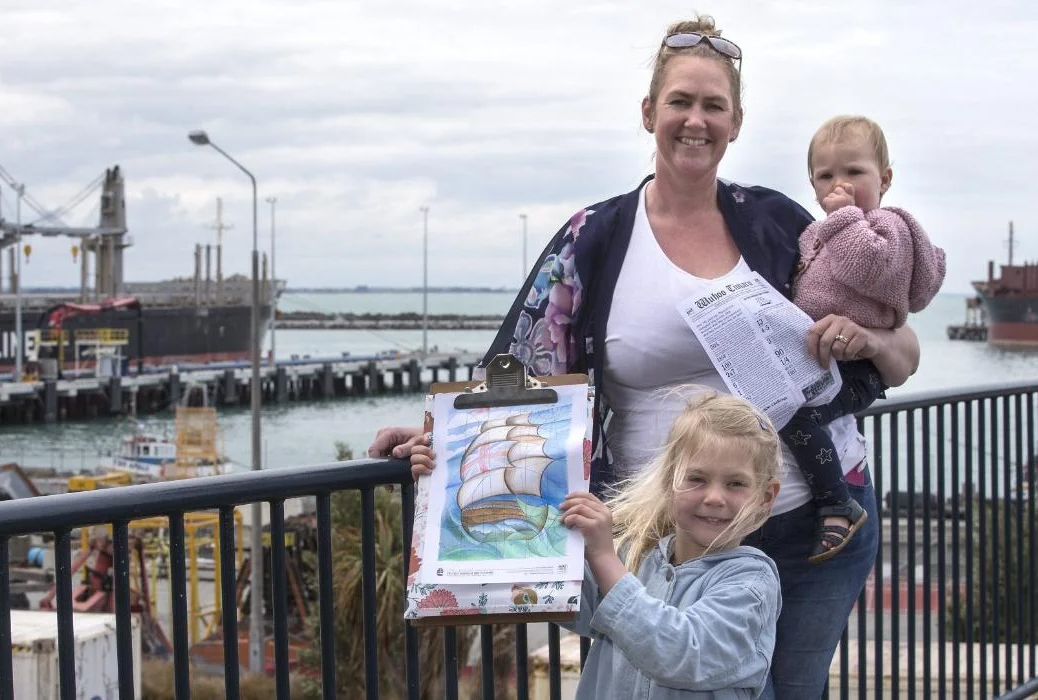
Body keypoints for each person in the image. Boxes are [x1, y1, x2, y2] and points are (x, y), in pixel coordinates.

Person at [370, 14, 922, 699]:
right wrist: (440, 440)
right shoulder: (593, 239)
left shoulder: (782, 225)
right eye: (681, 102)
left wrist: (871, 340)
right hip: (660, 540)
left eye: (714, 105)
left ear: (737, 121)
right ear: (648, 113)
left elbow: (899, 351)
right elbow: (519, 374)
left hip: (816, 525)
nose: (697, 121)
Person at [407, 390, 785, 698]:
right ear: (669, 481)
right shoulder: (641, 556)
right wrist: (441, 480)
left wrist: (604, 556)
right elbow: (568, 603)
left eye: (735, 483)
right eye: (697, 479)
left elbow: (682, 652)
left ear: (766, 498)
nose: (715, 497)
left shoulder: (750, 583)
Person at [781, 115, 946, 564]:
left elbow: (867, 267)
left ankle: (836, 504)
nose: (841, 185)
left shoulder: (888, 228)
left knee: (798, 416)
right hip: (823, 360)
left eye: (854, 172)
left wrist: (844, 218)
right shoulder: (817, 232)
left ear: (885, 179)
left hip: (860, 368)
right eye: (826, 175)